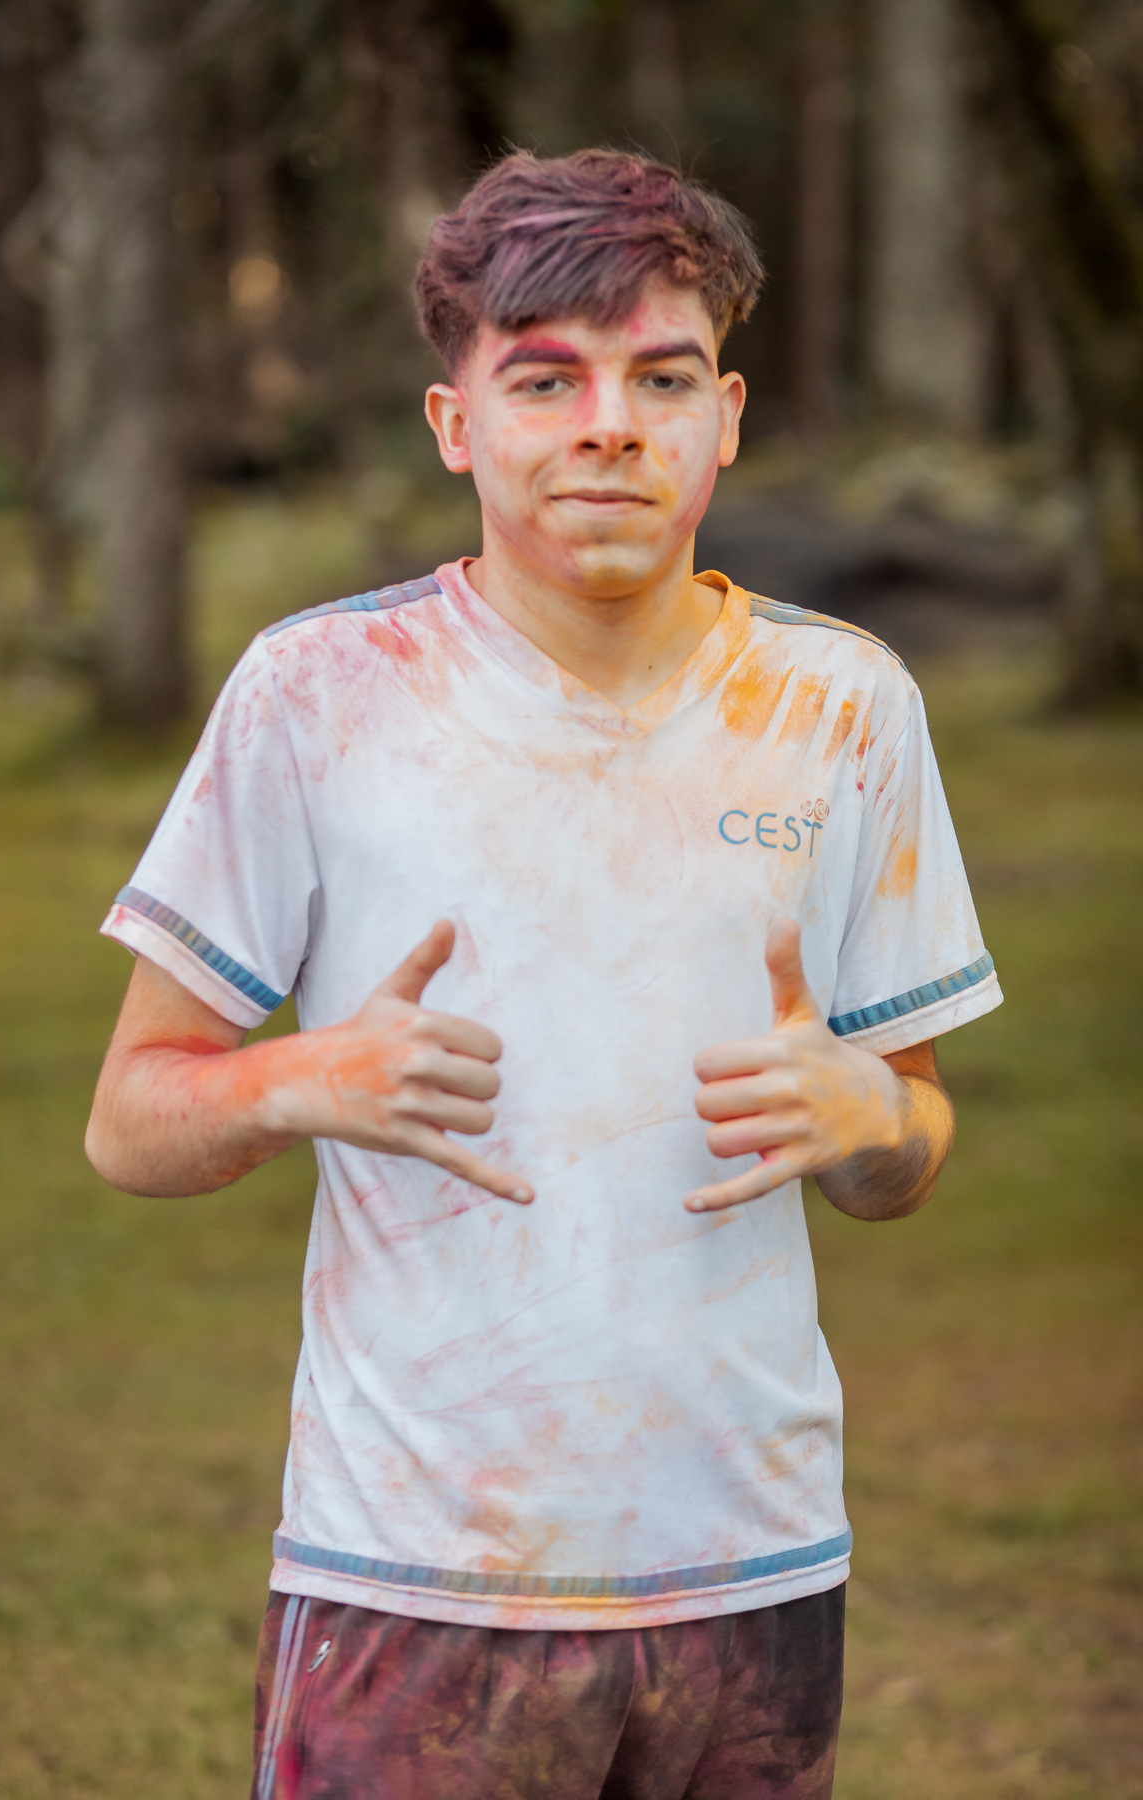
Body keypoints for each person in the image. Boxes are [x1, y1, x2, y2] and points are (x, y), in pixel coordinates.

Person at [86, 149, 1001, 1800]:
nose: (609, 426)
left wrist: (872, 1116)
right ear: (458, 424)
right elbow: (128, 1122)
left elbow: (910, 1146)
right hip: (413, 1576)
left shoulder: (845, 704)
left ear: (726, 416)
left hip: (755, 1568)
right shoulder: (319, 693)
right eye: (545, 379)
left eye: (662, 378)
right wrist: (303, 1078)